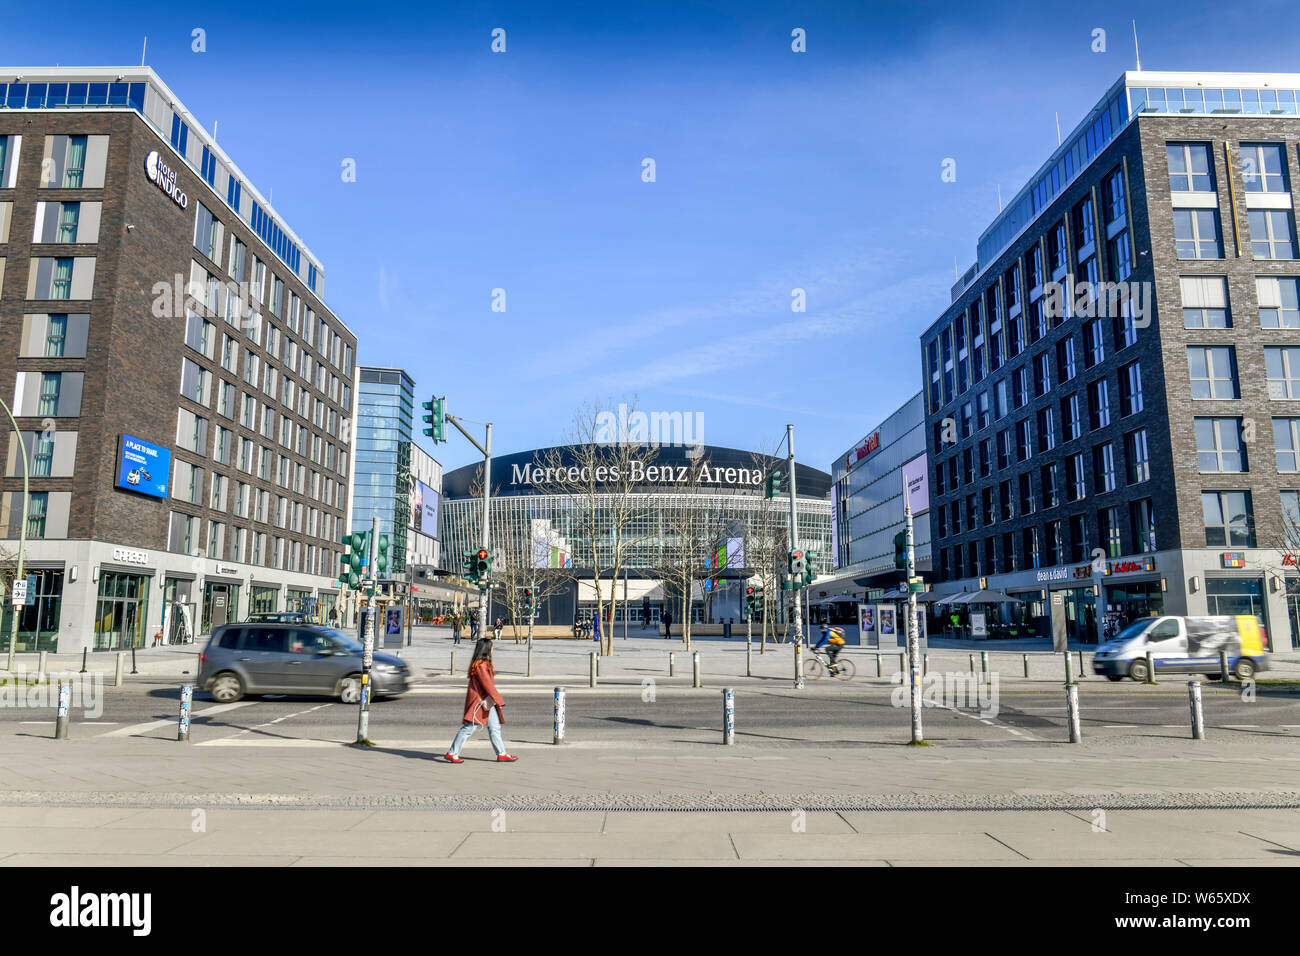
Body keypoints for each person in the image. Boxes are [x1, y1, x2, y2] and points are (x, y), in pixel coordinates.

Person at [445, 639, 517, 763]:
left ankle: (501, 753)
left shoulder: (482, 664)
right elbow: (488, 685)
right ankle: (452, 753)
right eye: (491, 647)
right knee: (470, 727)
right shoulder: (481, 665)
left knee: (494, 727)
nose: (493, 649)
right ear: (486, 649)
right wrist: (499, 700)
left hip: (487, 702)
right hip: (480, 702)